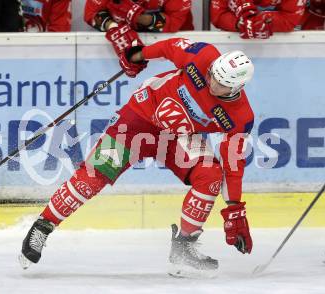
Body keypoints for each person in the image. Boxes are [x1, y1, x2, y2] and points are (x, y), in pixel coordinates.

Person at [19, 36, 256, 277]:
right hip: (138, 118)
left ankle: (184, 247)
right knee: (95, 174)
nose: (212, 84)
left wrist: (234, 208)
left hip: (178, 136)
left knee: (211, 175)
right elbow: (167, 47)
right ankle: (43, 226)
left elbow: (232, 164)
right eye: (212, 76)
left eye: (221, 85)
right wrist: (138, 55)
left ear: (237, 88)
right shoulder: (204, 56)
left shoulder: (240, 117)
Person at [210, 0, 306, 39]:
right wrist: (238, 24)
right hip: (233, 40)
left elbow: (290, 19)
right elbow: (218, 14)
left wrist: (266, 19)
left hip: (278, 44)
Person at [84, 0, 194, 33]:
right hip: (116, 49)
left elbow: (174, 23)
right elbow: (90, 14)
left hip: (172, 46)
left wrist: (138, 17)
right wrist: (113, 27)